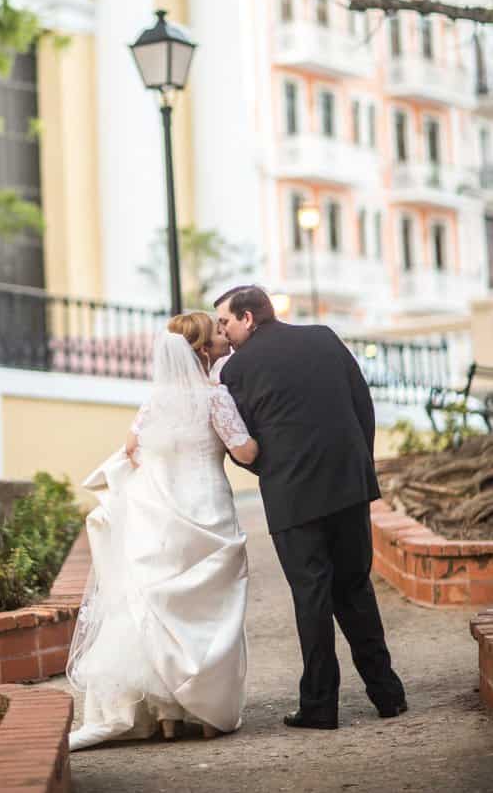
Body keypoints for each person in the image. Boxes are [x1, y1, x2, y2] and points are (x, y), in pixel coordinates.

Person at [214, 285, 406, 731]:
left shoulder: (236, 370)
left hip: (292, 496)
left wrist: (274, 472)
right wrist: (358, 461)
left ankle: (320, 706)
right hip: (347, 484)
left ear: (247, 318)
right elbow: (363, 405)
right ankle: (388, 694)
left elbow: (242, 441)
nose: (222, 332)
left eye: (225, 322)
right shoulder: (324, 336)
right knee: (355, 588)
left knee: (312, 597)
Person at [67, 311, 257, 751]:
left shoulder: (153, 404)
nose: (222, 337)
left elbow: (133, 449)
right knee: (210, 608)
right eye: (216, 335)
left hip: (162, 513)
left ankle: (170, 718)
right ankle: (208, 715)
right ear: (204, 351)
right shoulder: (215, 397)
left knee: (163, 607)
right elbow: (243, 450)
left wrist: (162, 473)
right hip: (208, 507)